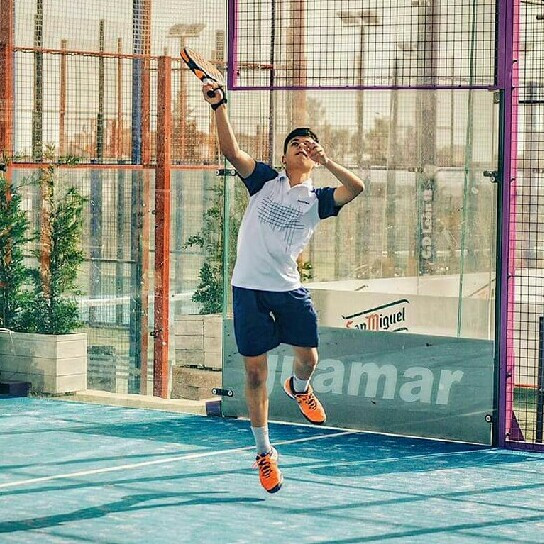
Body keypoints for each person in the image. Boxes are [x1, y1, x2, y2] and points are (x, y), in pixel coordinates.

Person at [202, 82, 365, 493]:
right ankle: (264, 452)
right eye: (296, 143)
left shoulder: (318, 198)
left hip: (287, 288)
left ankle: (299, 388)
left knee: (308, 358)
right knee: (255, 373)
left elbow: (356, 189)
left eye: (309, 144)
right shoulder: (264, 181)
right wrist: (219, 106)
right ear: (284, 156)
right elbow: (231, 151)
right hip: (247, 287)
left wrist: (328, 161)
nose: (302, 147)